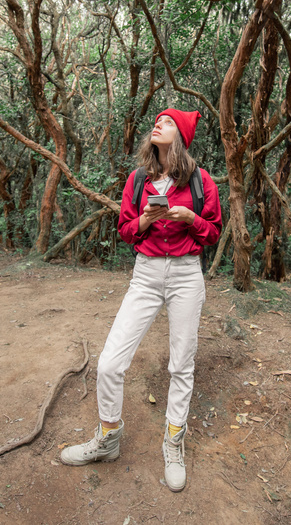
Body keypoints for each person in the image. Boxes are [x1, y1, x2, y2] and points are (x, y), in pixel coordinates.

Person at [60, 108, 222, 492]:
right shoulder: (138, 180)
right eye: (157, 120)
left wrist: (189, 219)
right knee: (109, 363)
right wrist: (147, 220)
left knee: (181, 365)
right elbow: (126, 231)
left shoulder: (202, 183)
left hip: (186, 274)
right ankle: (108, 438)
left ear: (180, 136)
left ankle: (173, 443)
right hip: (146, 274)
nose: (157, 123)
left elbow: (213, 234)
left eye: (167, 122)